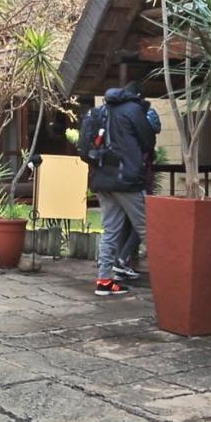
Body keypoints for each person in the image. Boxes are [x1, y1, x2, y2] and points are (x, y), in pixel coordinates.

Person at [87, 85, 156, 296]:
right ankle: (169, 280)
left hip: (102, 180)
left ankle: (104, 281)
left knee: (110, 231)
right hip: (127, 180)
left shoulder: (101, 111)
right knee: (149, 229)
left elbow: (86, 145)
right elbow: (148, 140)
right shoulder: (134, 110)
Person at [112, 84, 162, 279]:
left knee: (119, 222)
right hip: (138, 175)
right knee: (144, 220)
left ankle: (114, 265)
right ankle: (123, 260)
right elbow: (152, 135)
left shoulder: (115, 114)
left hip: (117, 175)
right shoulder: (145, 113)